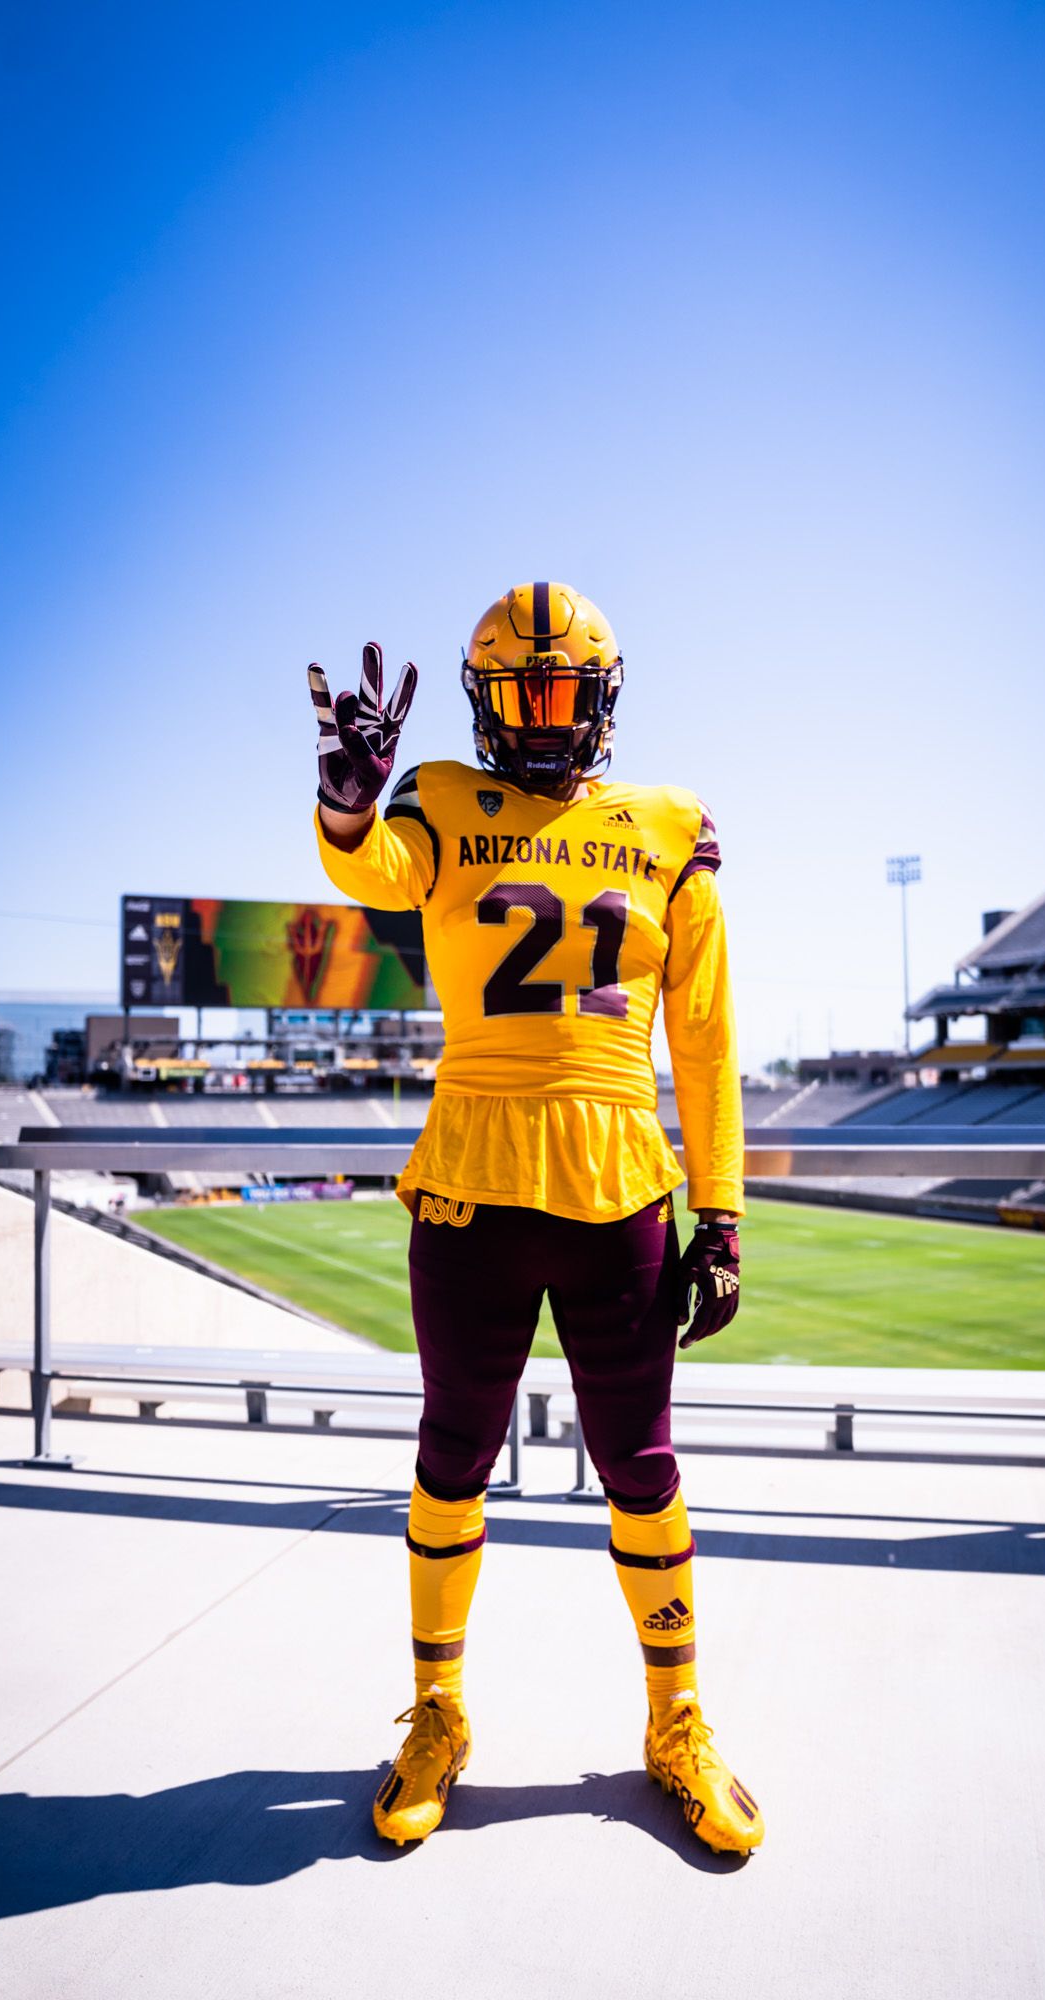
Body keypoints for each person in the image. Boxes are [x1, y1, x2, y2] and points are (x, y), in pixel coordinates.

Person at [310, 581, 762, 1857]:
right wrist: (348, 799)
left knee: (643, 1467)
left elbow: (709, 1039)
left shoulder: (670, 824)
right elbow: (372, 868)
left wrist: (720, 1213)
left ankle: (677, 1721)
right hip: (469, 1177)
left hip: (616, 1180)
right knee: (452, 1450)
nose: (545, 719)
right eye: (521, 694)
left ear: (603, 697)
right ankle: (439, 1713)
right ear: (482, 701)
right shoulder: (441, 798)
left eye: (565, 693)